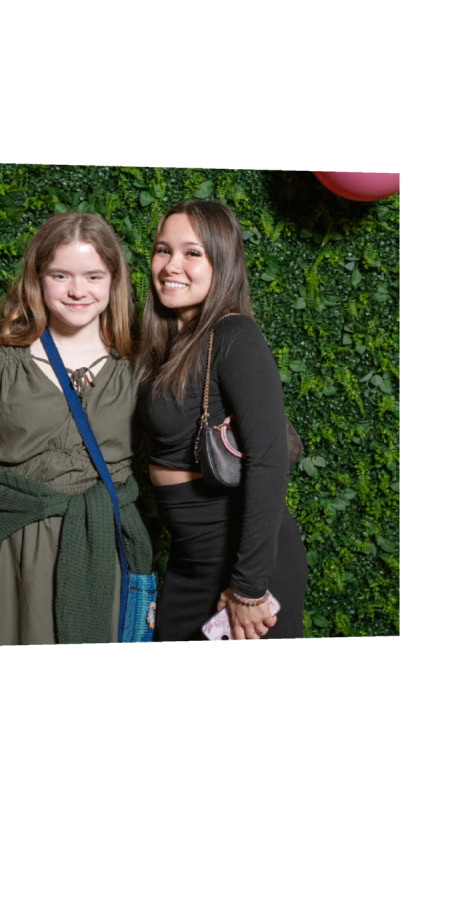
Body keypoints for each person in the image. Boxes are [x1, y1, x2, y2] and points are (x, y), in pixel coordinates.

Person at [0, 212, 152, 645]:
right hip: (8, 554)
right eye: (60, 275)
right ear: (37, 277)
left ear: (114, 280)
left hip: (102, 552)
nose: (78, 291)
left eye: (94, 276)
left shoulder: (139, 365)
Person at [136, 200, 308, 640]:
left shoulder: (234, 335)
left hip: (240, 568)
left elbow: (269, 460)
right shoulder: (167, 343)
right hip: (189, 559)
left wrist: (249, 589)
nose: (171, 265)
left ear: (222, 262)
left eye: (192, 253)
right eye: (163, 250)